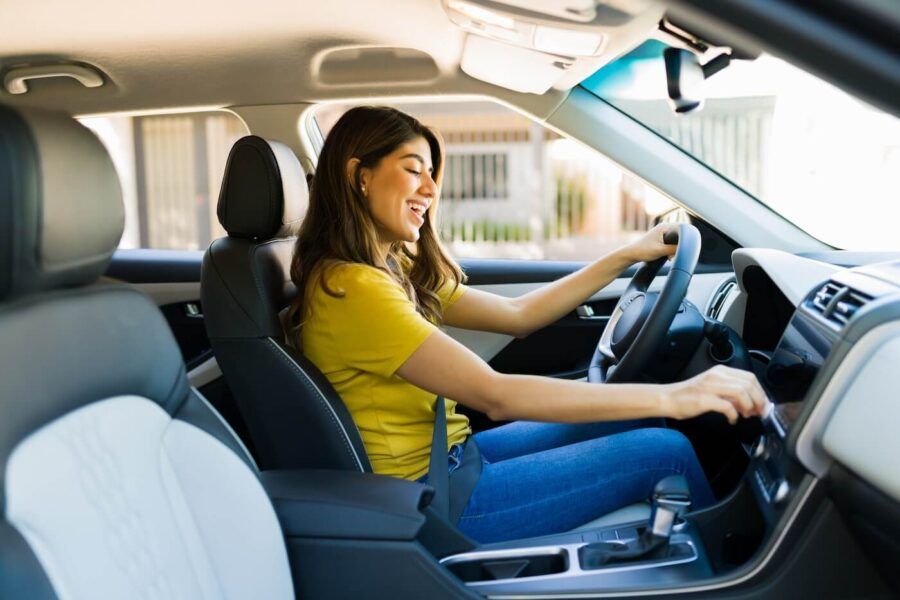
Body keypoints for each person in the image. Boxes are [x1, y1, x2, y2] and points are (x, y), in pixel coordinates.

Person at [286, 106, 767, 543]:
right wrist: (678, 395)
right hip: (432, 496)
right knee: (666, 450)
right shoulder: (354, 288)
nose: (431, 190)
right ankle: (741, 573)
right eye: (413, 171)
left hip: (455, 460)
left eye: (431, 174)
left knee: (637, 415)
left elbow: (520, 316)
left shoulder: (388, 271)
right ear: (359, 176)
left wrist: (625, 255)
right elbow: (495, 395)